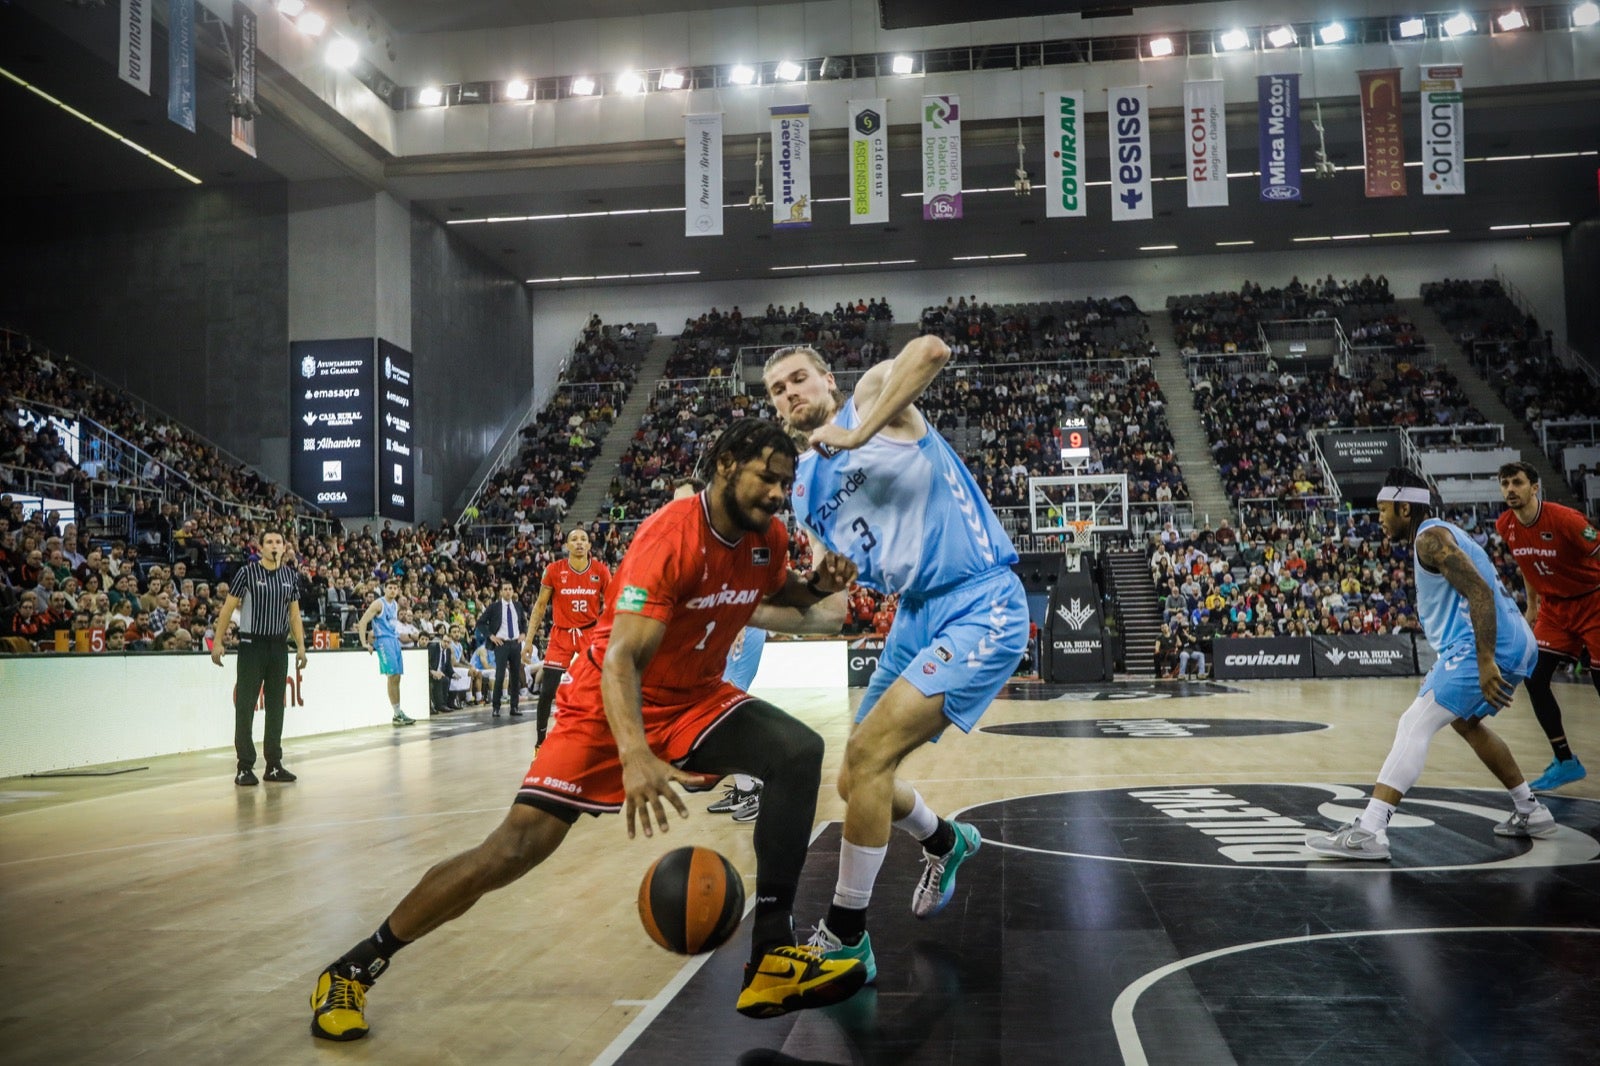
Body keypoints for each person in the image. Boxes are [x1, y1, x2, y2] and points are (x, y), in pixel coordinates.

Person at [308, 419, 867, 1042]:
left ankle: (770, 956)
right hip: (607, 702)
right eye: (768, 477)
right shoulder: (668, 539)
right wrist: (633, 753)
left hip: (694, 698)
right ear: (726, 464)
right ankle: (355, 966)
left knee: (798, 751)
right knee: (513, 849)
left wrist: (818, 585)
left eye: (785, 483)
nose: (777, 493)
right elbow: (623, 659)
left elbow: (779, 589)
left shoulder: (769, 538)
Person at [763, 338, 1029, 980]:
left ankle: (847, 934)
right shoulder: (801, 489)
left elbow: (933, 350)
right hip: (914, 613)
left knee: (867, 756)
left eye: (799, 379)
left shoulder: (872, 398)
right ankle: (945, 840)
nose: (791, 393)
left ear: (827, 379)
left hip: (979, 600)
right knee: (855, 782)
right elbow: (837, 597)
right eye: (777, 389)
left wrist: (855, 439)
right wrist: (807, 584)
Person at [1307, 468, 1557, 861]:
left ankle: (1370, 830)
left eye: (1383, 510)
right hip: (1514, 641)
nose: (1380, 519)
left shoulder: (1429, 539)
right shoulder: (1442, 531)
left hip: (1484, 645)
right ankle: (1531, 810)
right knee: (1466, 723)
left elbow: (1478, 592)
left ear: (1404, 507)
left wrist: (1486, 659)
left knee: (1414, 722)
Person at [1495, 461, 1596, 791]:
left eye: (1517, 483)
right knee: (1534, 677)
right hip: (1554, 609)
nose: (1511, 489)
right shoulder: (1505, 525)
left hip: (1593, 601)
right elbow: (1527, 565)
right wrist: (1533, 605)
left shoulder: (1567, 520)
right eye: (1505, 483)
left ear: (1534, 488)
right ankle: (1565, 760)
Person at [673, 477, 766, 823]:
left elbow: (747, 577)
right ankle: (746, 786)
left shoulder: (724, 532)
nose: (679, 505)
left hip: (742, 629)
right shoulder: (691, 538)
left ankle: (755, 787)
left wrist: (739, 623)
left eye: (685, 498)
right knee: (720, 716)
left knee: (723, 714)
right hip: (721, 633)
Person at [210, 529, 308, 785]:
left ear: (285, 547)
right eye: (269, 542)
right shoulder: (247, 573)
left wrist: (300, 647)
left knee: (276, 706)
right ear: (260, 547)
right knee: (245, 706)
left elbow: (294, 615)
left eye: (278, 541)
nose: (274, 545)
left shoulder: (290, 576)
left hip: (278, 646)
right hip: (251, 645)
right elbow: (228, 608)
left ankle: (274, 765)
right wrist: (217, 641)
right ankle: (244, 766)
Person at [527, 528, 611, 743]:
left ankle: (601, 739)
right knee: (547, 693)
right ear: (566, 545)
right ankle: (540, 742)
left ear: (590, 546)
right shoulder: (554, 570)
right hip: (561, 634)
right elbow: (540, 606)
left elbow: (612, 605)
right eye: (574, 539)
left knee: (599, 690)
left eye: (584, 539)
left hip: (589, 633)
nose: (579, 543)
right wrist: (528, 641)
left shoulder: (600, 571)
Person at [356, 581, 417, 726]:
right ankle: (396, 714)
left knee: (397, 677)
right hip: (383, 641)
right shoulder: (378, 604)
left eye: (395, 588)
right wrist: (364, 642)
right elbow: (363, 621)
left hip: (394, 640)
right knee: (392, 675)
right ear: (384, 589)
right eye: (390, 588)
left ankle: (398, 712)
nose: (393, 590)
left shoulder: (395, 605)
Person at [474, 580, 529, 718]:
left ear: (513, 591)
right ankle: (496, 707)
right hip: (501, 644)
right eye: (505, 589)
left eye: (510, 588)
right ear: (501, 592)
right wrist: (491, 636)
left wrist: (523, 633)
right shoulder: (494, 607)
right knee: (500, 675)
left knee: (516, 676)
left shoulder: (517, 605)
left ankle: (514, 707)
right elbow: (480, 623)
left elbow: (522, 621)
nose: (508, 591)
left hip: (516, 643)